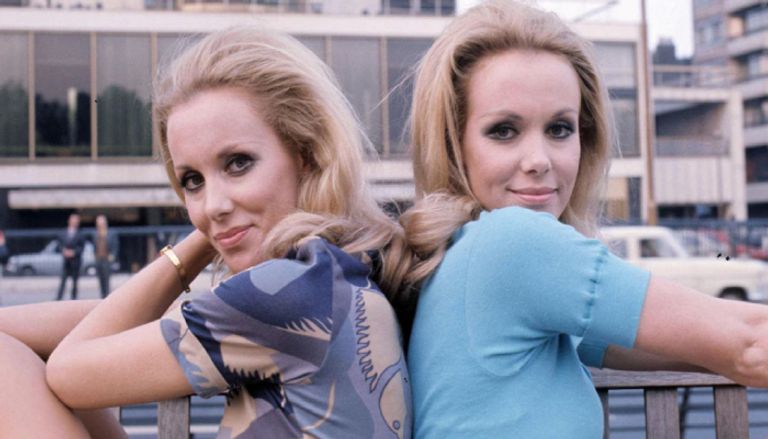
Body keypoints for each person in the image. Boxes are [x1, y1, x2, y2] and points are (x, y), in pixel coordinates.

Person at [0, 28, 414, 438]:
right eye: (193, 181)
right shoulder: (335, 274)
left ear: (306, 155)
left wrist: (196, 247)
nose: (213, 204)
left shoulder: (291, 290)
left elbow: (67, 371)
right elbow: (96, 329)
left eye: (238, 163)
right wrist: (222, 224)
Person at [400, 1, 768, 437]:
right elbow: (750, 343)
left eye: (559, 129)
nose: (538, 160)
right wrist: (736, 345)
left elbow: (714, 345)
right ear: (454, 144)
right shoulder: (513, 245)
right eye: (504, 131)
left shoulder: (468, 256)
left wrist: (730, 346)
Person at [56, 213, 86, 301]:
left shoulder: (80, 234)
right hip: (66, 261)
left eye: (76, 221)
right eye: (73, 220)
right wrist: (63, 251)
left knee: (75, 281)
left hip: (76, 261)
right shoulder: (63, 233)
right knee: (63, 280)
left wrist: (74, 252)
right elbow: (59, 245)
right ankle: (59, 297)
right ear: (69, 221)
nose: (74, 222)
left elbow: (82, 247)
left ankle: (74, 298)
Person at [93, 214, 118, 298]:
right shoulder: (95, 234)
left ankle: (107, 297)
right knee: (100, 280)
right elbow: (95, 246)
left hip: (107, 259)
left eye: (101, 222)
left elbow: (115, 246)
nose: (99, 224)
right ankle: (102, 297)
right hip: (98, 259)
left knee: (106, 279)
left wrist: (113, 256)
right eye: (98, 223)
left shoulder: (111, 233)